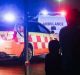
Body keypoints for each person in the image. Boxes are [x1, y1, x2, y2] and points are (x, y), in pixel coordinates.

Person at [59, 8, 80, 75]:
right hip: (76, 66)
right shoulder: (77, 31)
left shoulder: (63, 31)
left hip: (65, 65)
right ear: (76, 18)